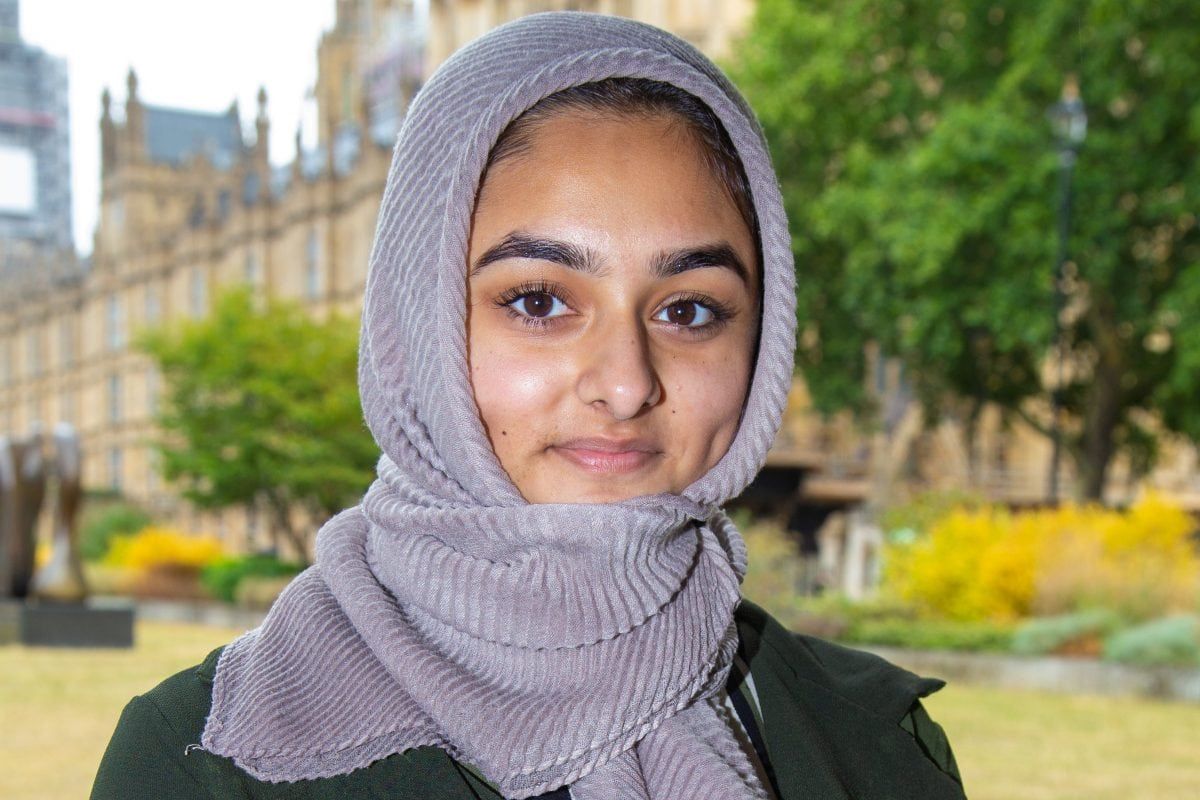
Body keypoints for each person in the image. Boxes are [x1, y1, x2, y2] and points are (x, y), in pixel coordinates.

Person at [92, 12, 966, 800]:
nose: (625, 383)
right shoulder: (200, 766)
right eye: (540, 301)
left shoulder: (879, 740)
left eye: (689, 310)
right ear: (414, 325)